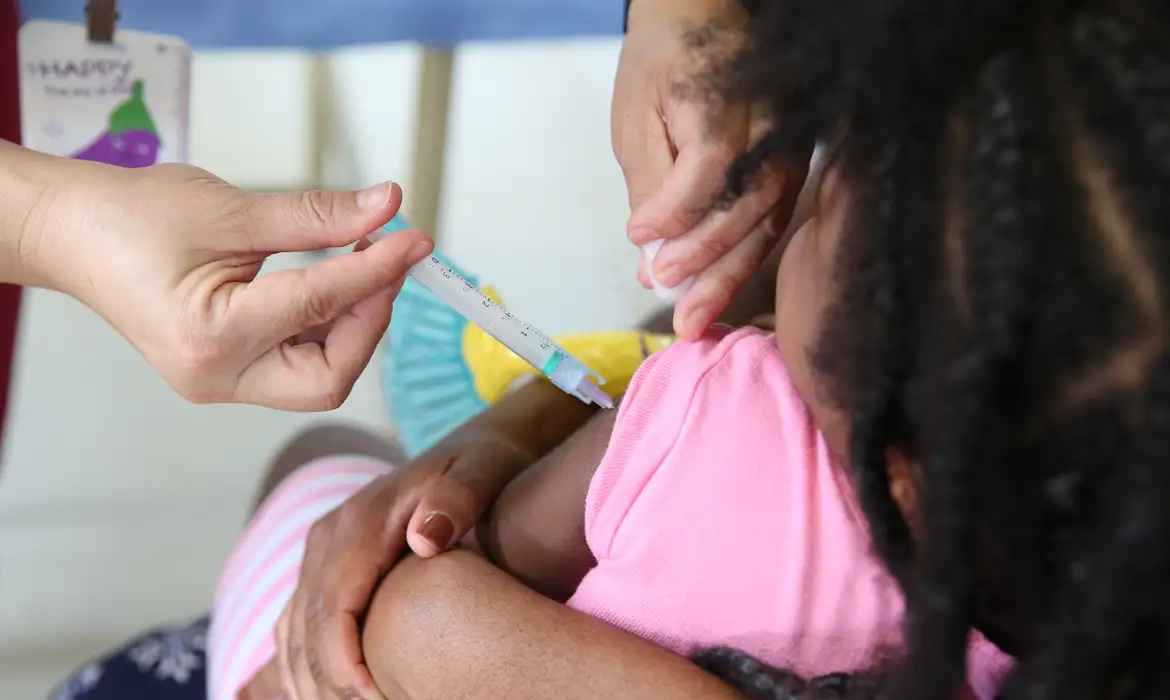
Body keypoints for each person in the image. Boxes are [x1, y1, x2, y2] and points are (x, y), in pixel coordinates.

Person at [253, 0, 1170, 699]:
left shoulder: (723, 414)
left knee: (315, 460)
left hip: (332, 663)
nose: (787, 205)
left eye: (807, 225)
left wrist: (505, 457)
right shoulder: (1109, 591)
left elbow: (424, 589)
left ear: (901, 468)